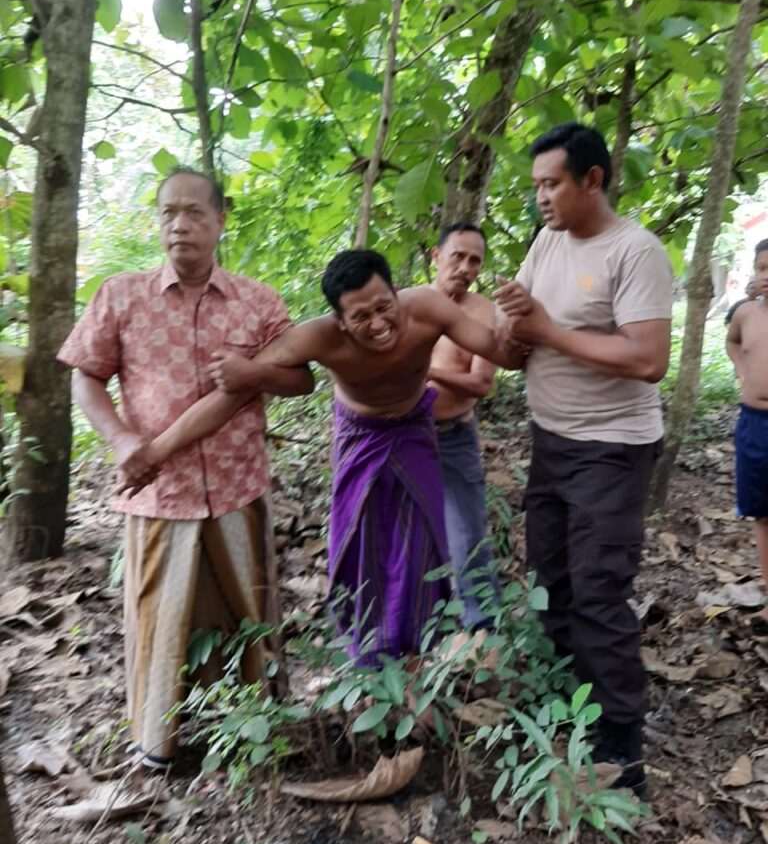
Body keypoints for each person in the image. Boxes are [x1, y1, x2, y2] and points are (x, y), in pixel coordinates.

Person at [127, 249, 527, 667]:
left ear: (396, 291)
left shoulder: (428, 307)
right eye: (360, 317)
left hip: (414, 432)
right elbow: (230, 396)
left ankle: (419, 649)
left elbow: (507, 355)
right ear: (339, 319)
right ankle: (368, 660)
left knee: (423, 539)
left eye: (383, 307)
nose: (377, 324)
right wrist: (156, 451)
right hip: (360, 436)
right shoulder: (315, 337)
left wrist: (515, 321)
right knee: (358, 546)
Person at [57, 168, 314, 771]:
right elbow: (85, 374)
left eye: (195, 212)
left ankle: (254, 729)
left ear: (221, 218)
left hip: (237, 486)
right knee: (160, 615)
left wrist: (255, 375)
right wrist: (120, 439)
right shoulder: (121, 296)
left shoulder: (258, 300)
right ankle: (159, 744)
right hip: (157, 492)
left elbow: (302, 378)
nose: (181, 224)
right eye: (169, 212)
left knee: (247, 608)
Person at [495, 123, 672, 796]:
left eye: (552, 184)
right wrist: (512, 327)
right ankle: (569, 714)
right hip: (552, 439)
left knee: (600, 595)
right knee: (551, 586)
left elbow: (647, 360)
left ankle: (622, 753)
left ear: (592, 180)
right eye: (536, 184)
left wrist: (544, 330)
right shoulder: (547, 241)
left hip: (613, 449)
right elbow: (524, 342)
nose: (541, 197)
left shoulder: (636, 251)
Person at [427, 222, 502, 631]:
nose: (465, 267)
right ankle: (423, 627)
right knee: (412, 536)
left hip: (455, 435)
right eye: (457, 255)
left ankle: (483, 630)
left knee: (468, 536)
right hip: (408, 436)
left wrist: (428, 371)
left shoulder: (483, 312)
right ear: (436, 256)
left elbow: (481, 383)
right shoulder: (407, 305)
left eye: (475, 260)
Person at [726, 239, 768, 616]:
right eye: (762, 268)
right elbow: (733, 342)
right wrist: (741, 369)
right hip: (754, 423)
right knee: (761, 511)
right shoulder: (746, 314)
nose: (766, 276)